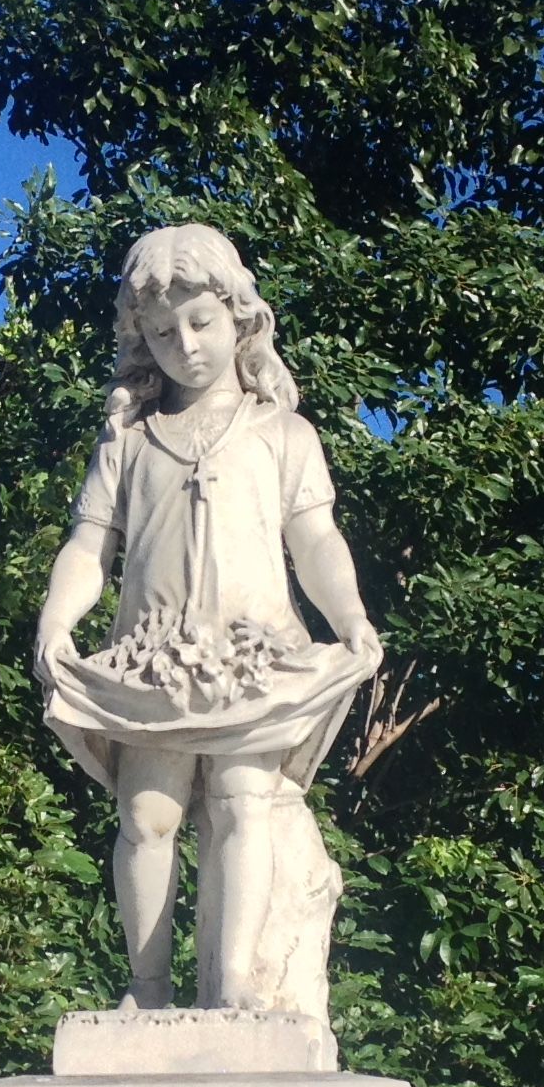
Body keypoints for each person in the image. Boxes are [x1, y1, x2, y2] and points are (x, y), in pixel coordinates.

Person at [32, 224, 379, 1011]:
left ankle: (232, 991)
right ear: (140, 338)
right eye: (160, 332)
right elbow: (88, 547)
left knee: (241, 811)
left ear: (240, 318)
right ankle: (147, 993)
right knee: (147, 819)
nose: (183, 345)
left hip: (253, 658)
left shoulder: (284, 434)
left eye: (200, 323)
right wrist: (56, 623)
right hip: (150, 662)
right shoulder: (128, 440)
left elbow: (317, 541)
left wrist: (350, 617)